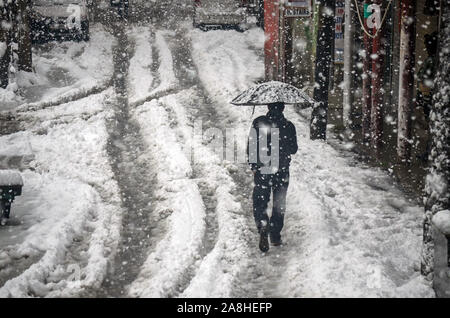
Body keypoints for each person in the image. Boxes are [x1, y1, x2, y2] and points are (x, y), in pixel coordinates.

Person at [247, 102, 298, 252]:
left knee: (260, 200)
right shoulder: (289, 126)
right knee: (279, 202)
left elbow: (251, 145)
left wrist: (254, 165)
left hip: (263, 168)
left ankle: (263, 224)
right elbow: (293, 149)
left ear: (268, 107)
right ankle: (275, 235)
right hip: (281, 170)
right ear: (283, 108)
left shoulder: (259, 122)